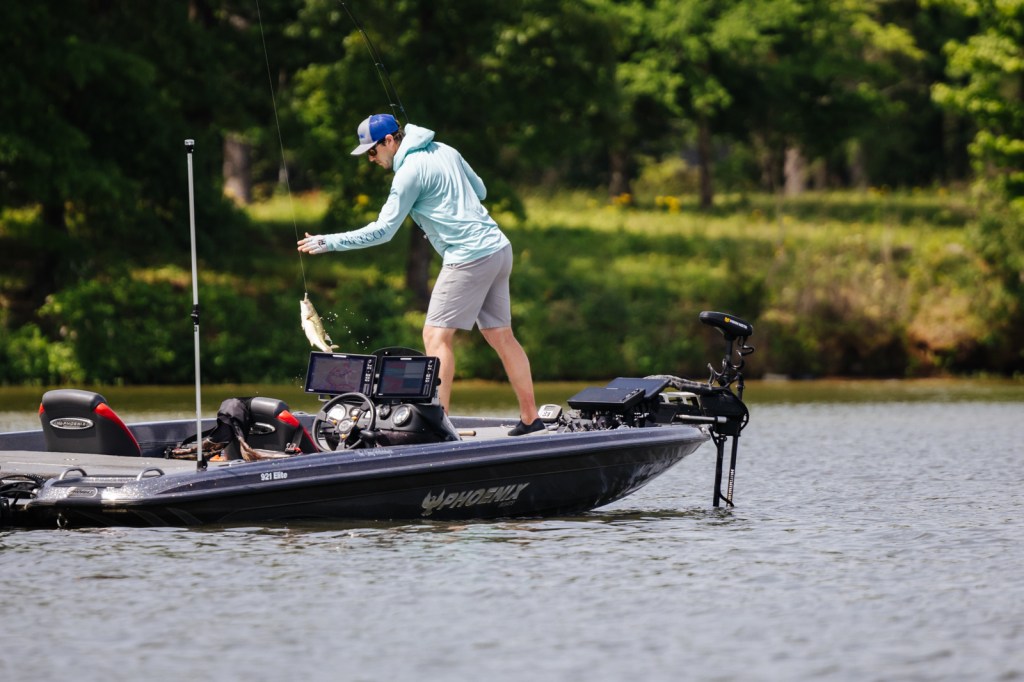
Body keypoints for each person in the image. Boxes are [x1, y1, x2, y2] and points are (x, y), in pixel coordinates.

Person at [297, 114, 543, 436]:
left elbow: (383, 231)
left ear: (390, 141)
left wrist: (328, 242)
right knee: (501, 336)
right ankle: (531, 419)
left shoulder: (408, 173)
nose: (371, 159)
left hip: (468, 257)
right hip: (499, 249)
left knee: (435, 336)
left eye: (372, 151)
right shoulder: (445, 149)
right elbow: (481, 191)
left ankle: (438, 427)